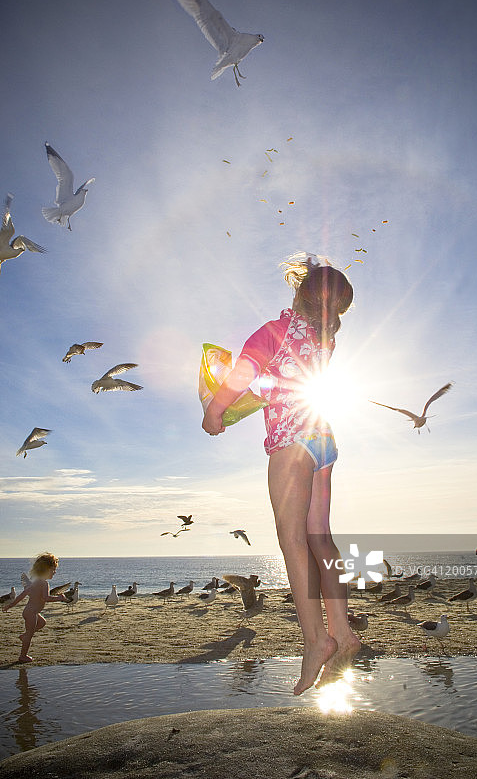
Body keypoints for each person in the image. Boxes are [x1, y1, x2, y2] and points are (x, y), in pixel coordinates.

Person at [202, 253, 361, 694]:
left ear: (300, 293)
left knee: (291, 540)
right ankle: (343, 632)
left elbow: (242, 375)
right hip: (322, 441)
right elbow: (278, 378)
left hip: (291, 441)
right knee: (321, 539)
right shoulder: (324, 339)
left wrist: (214, 411)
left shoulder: (274, 331)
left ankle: (317, 641)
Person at [2, 552, 67, 663]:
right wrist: (59, 598)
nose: (55, 572)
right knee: (30, 635)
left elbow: (22, 595)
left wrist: (10, 605)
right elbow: (46, 598)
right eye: (53, 570)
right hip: (31, 613)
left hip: (30, 611)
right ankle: (23, 656)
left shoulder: (35, 582)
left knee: (42, 623)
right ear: (45, 569)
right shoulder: (44, 583)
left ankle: (25, 635)